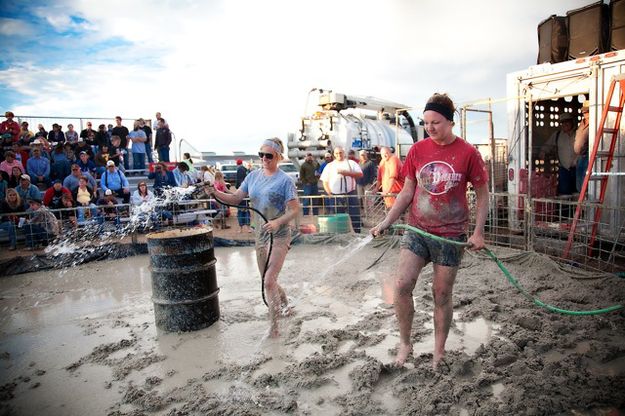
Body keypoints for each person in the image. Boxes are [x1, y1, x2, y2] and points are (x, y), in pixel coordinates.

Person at [370, 93, 489, 369]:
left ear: (450, 122)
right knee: (401, 285)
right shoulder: (417, 150)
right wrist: (386, 221)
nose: (430, 128)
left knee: (441, 294)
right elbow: (408, 191)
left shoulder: (468, 153)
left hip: (450, 234)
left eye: (436, 122)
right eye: (426, 123)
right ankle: (405, 343)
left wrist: (478, 232)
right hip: (418, 229)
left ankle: (439, 351)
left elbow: (483, 194)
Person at [206, 137, 300, 337]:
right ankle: (286, 306)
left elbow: (294, 210)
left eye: (269, 155)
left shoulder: (285, 180)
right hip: (260, 236)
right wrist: (214, 192)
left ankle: (274, 329)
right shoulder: (252, 177)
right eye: (261, 155)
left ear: (278, 157)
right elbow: (235, 199)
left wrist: (277, 222)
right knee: (269, 280)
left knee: (268, 281)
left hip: (280, 235)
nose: (264, 158)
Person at [320, 146, 363, 233]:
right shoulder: (329, 166)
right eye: (336, 153)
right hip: (335, 195)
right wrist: (330, 194)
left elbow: (360, 174)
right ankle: (340, 235)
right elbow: (325, 181)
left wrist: (347, 173)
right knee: (337, 216)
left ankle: (357, 234)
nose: (339, 155)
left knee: (355, 215)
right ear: (334, 154)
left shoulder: (351, 163)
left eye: (340, 153)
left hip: (350, 193)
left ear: (344, 153)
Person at [539, 112, 578, 196]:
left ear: (572, 122)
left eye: (567, 121)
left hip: (577, 169)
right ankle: (565, 209)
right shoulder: (557, 135)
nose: (565, 124)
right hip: (564, 170)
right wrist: (543, 151)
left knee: (578, 192)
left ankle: (576, 209)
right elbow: (547, 145)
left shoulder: (578, 133)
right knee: (564, 193)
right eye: (563, 122)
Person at [574, 100, 590, 193]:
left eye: (587, 111)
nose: (585, 113)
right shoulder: (581, 124)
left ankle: (586, 202)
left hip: (587, 155)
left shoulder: (594, 123)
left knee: (585, 181)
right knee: (579, 181)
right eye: (584, 111)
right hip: (580, 156)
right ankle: (582, 204)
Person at [234, 159, 251, 231]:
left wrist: (238, 188)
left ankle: (241, 228)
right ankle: (247, 228)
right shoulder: (245, 169)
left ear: (237, 163)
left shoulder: (240, 169)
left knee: (241, 211)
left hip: (242, 192)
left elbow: (240, 181)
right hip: (246, 192)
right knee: (246, 210)